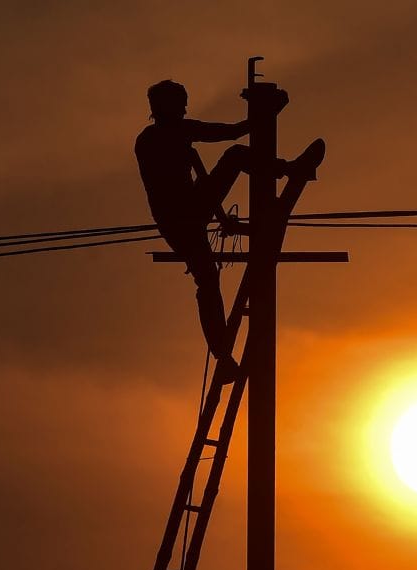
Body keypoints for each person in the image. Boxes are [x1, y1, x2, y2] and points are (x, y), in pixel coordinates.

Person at [135, 79, 323, 380]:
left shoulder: (179, 133)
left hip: (190, 212)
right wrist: (268, 114)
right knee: (207, 281)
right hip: (179, 220)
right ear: (164, 107)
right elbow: (218, 141)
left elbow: (210, 156)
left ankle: (223, 359)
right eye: (181, 104)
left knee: (208, 279)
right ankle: (222, 357)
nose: (185, 109)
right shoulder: (152, 140)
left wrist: (222, 218)